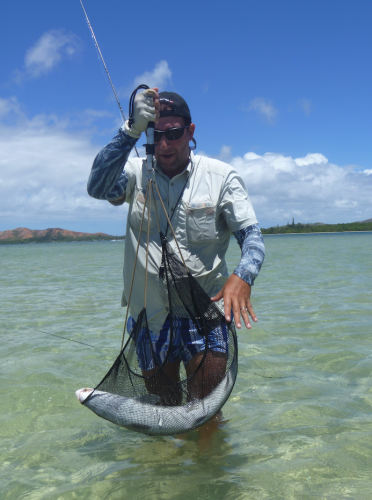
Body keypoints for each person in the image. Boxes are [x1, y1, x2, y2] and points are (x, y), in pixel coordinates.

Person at [87, 87, 265, 403]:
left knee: (206, 412)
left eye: (175, 134)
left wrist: (242, 277)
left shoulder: (221, 176)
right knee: (163, 409)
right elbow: (97, 187)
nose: (165, 145)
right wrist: (130, 131)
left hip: (205, 313)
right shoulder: (134, 173)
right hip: (149, 315)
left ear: (190, 131)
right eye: (156, 136)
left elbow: (252, 239)